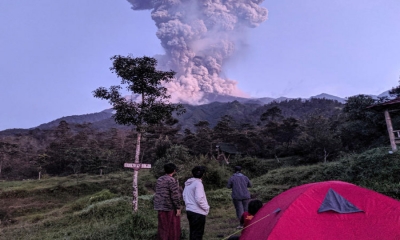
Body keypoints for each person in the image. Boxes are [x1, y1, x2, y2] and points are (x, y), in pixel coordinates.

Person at [154, 163, 181, 240]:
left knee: (162, 227)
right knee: (172, 228)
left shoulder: (159, 179)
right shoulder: (172, 180)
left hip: (160, 206)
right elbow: (175, 195)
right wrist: (178, 208)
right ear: (174, 170)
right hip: (169, 207)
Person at [183, 166, 210, 240]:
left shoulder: (188, 184)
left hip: (190, 210)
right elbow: (199, 199)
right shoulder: (198, 184)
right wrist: (206, 208)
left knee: (193, 232)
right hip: (198, 212)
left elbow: (184, 196)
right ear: (202, 174)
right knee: (198, 234)